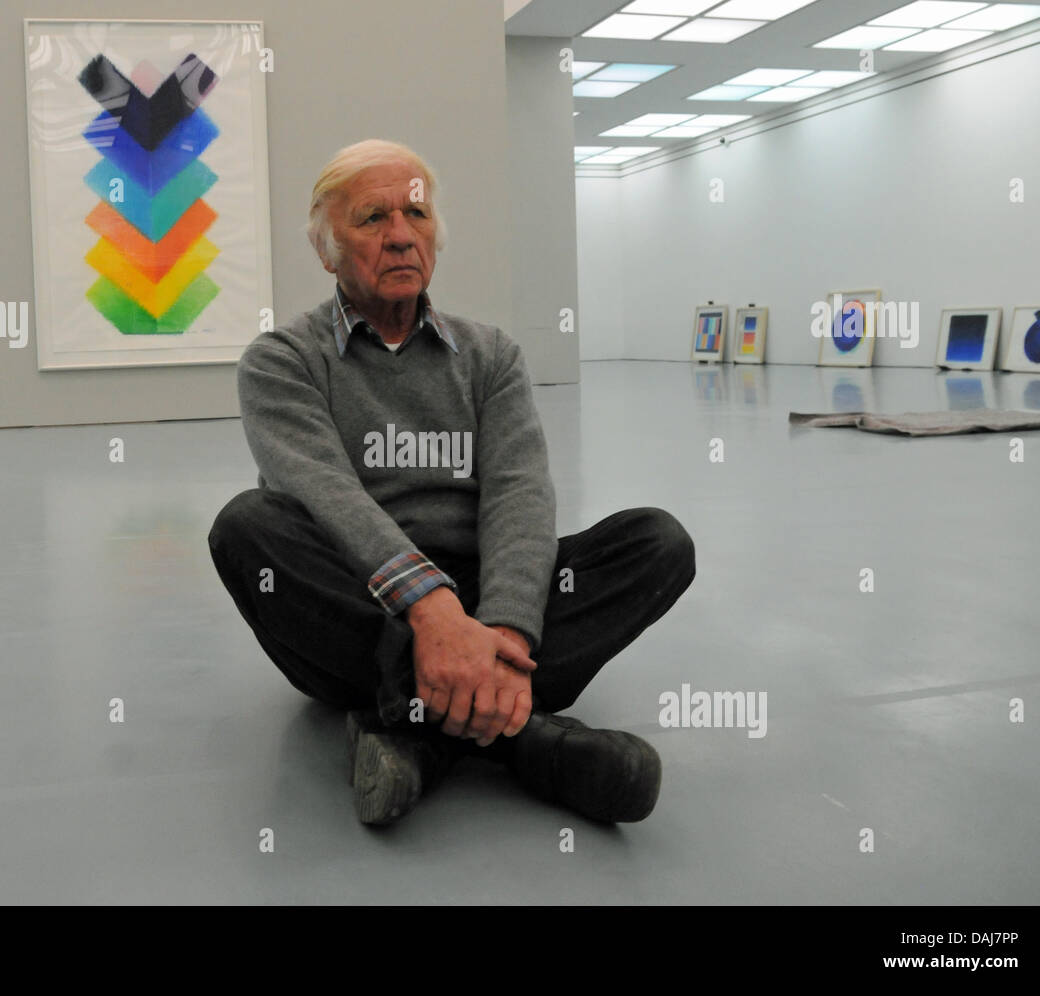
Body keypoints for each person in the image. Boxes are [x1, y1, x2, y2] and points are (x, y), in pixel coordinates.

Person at [209, 138, 695, 827]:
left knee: (657, 543)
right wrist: (430, 611)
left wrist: (506, 630)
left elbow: (519, 494)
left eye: (417, 215)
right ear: (326, 250)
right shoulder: (281, 360)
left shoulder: (491, 354)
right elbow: (327, 495)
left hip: (484, 593)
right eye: (373, 219)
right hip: (363, 601)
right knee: (248, 527)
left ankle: (421, 732)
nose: (402, 236)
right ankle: (527, 739)